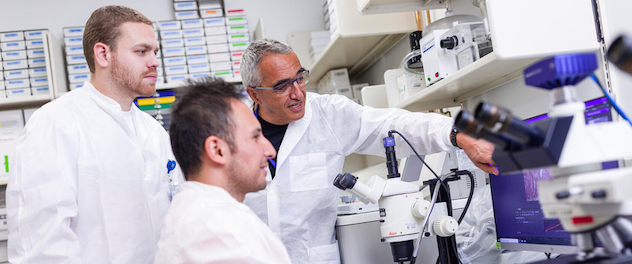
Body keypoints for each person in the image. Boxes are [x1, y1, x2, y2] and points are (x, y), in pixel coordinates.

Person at [241, 38, 498, 263]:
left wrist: (458, 135)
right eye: (282, 86)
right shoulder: (229, 128)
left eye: (300, 78)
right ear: (255, 94)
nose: (297, 93)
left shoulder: (328, 114)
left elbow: (394, 126)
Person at [6, 5, 182, 263]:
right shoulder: (56, 122)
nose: (155, 61)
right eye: (141, 51)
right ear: (103, 54)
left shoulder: (152, 130)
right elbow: (41, 242)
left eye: (155, 52)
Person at [154, 77, 291, 264]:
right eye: (255, 137)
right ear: (217, 150)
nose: (270, 151)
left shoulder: (210, 215)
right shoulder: (215, 231)